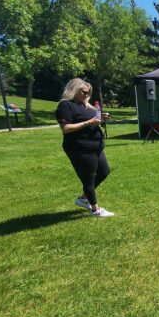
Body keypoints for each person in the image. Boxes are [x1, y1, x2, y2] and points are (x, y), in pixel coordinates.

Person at [56, 78, 114, 217]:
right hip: (80, 148)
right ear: (74, 89)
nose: (86, 95)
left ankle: (83, 198)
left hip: (95, 146)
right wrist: (89, 122)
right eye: (84, 92)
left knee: (104, 171)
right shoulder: (66, 105)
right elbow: (66, 128)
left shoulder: (85, 106)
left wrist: (101, 118)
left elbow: (94, 121)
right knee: (88, 178)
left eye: (88, 93)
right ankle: (95, 209)